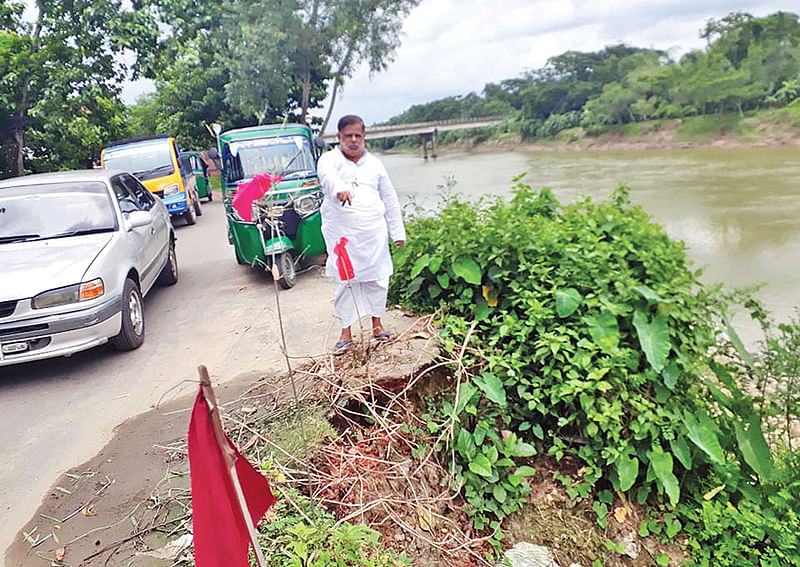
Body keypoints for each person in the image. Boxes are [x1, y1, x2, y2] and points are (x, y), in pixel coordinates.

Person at [317, 115, 406, 352]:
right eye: (349, 136)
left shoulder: (375, 163)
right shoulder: (329, 160)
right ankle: (346, 332)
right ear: (339, 137)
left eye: (358, 135)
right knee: (346, 281)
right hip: (343, 237)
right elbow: (328, 177)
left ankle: (377, 326)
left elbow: (389, 197)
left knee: (378, 279)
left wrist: (398, 231)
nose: (354, 140)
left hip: (373, 234)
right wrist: (340, 189)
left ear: (364, 136)